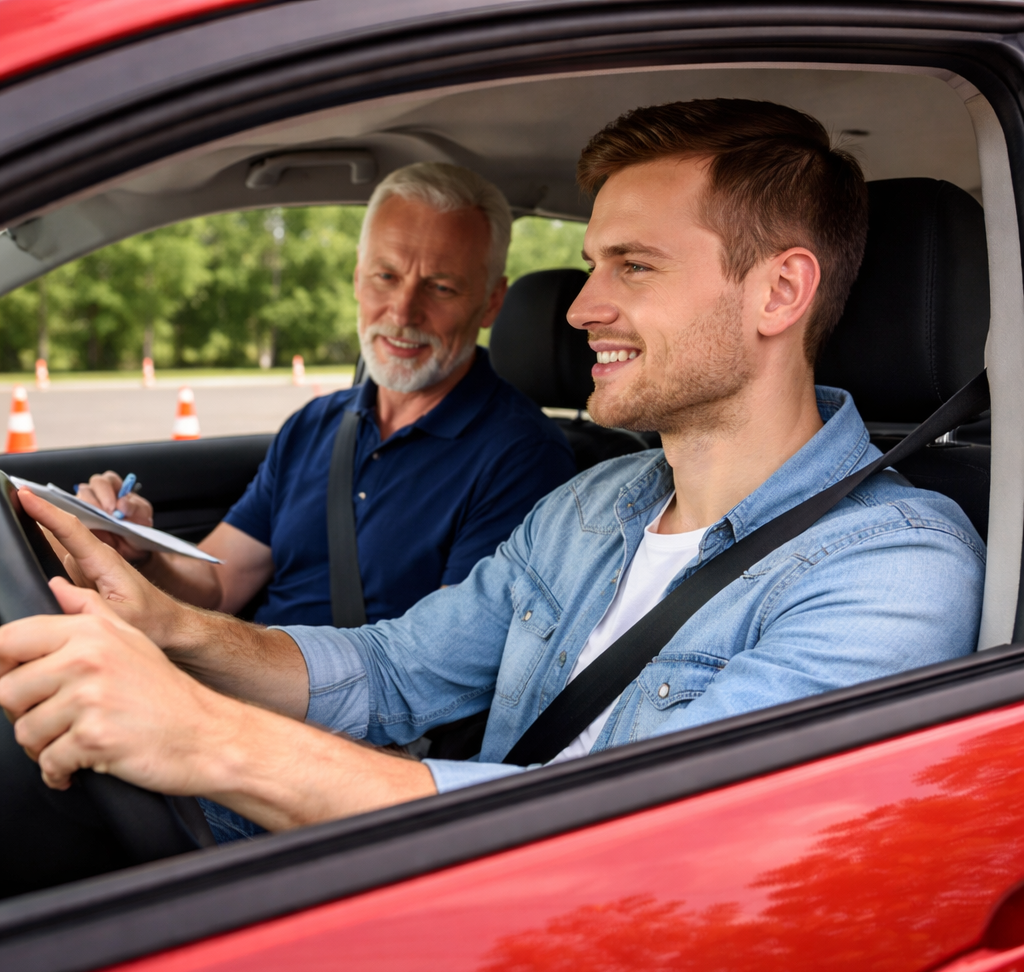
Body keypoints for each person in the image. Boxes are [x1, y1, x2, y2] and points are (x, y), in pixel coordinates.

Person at [0, 99, 985, 844]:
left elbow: (635, 832)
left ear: (780, 290)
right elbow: (392, 668)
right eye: (591, 264)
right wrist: (166, 625)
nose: (578, 308)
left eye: (632, 266)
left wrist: (204, 736)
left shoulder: (891, 568)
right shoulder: (592, 504)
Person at [76, 162, 575, 626]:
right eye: (386, 276)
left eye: (440, 287)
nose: (402, 312)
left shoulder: (523, 456)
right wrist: (141, 550)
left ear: (491, 303)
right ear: (358, 279)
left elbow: (438, 666)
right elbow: (218, 584)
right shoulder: (315, 425)